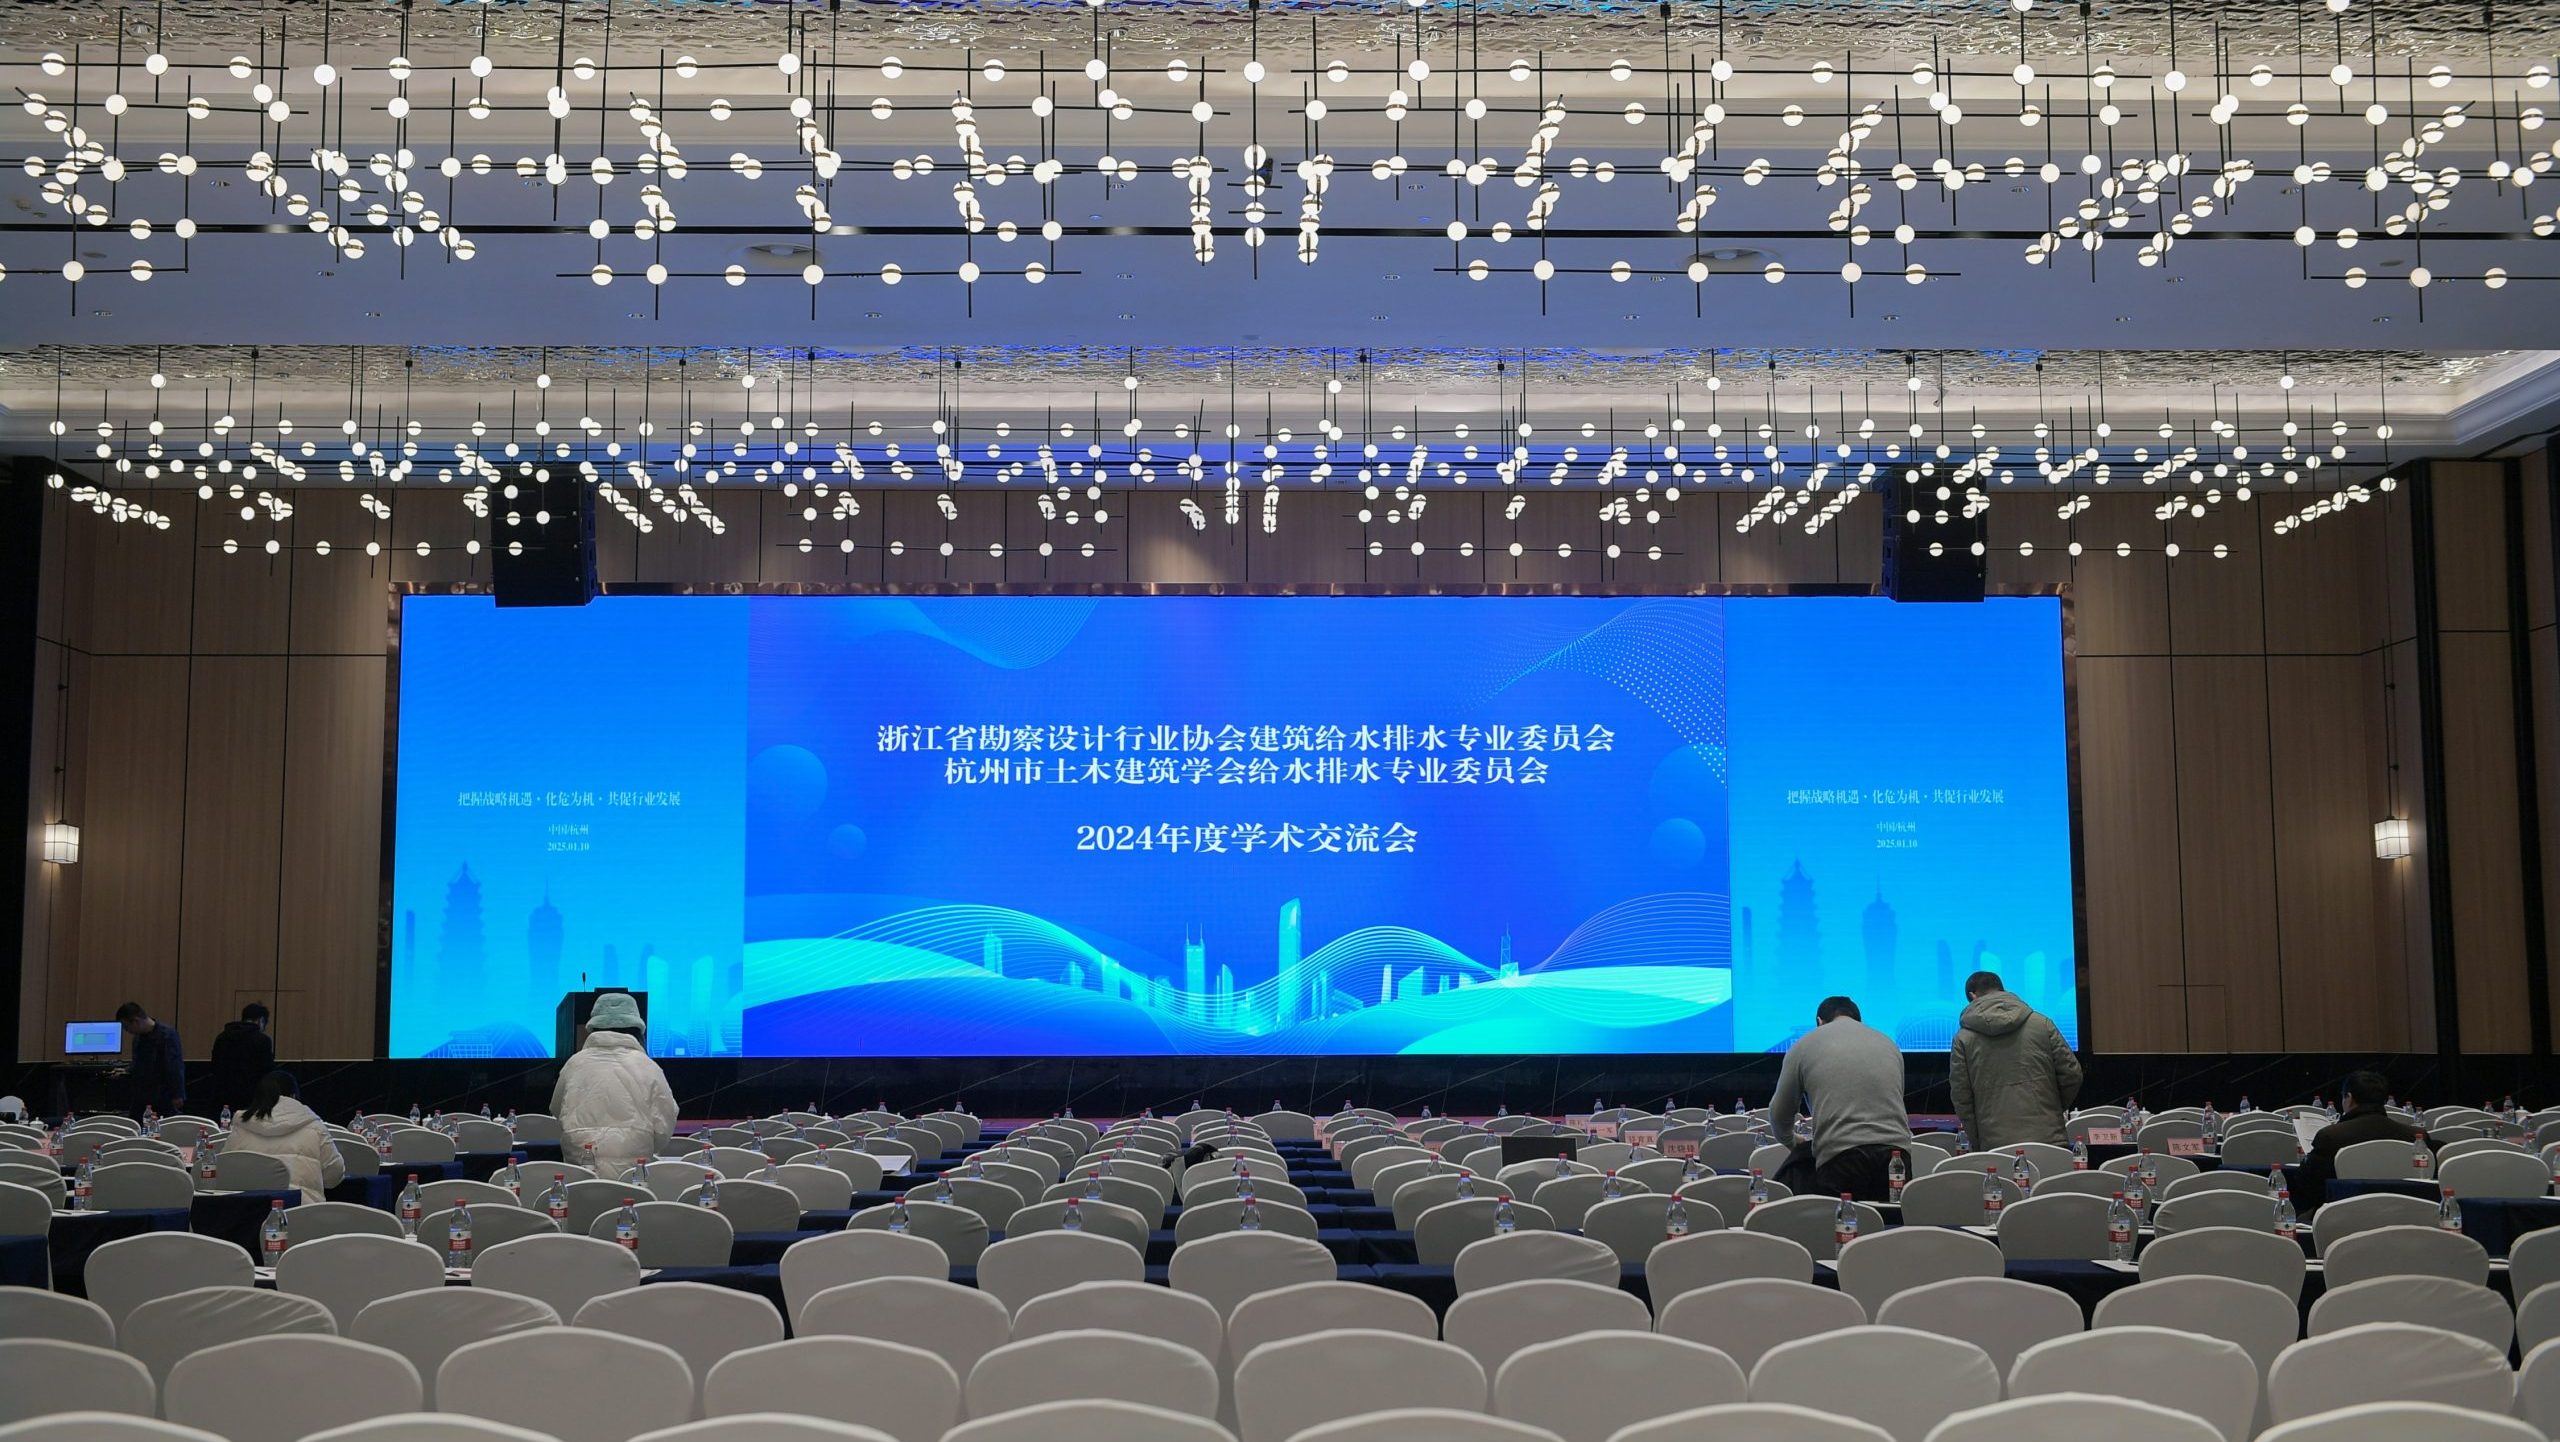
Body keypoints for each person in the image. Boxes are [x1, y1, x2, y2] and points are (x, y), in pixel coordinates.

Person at [1768, 995, 1913, 1201]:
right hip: (1897, 1158)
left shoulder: (1803, 1045)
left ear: (1819, 1021)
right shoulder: (1889, 1043)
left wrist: (1795, 1144)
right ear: (1858, 1019)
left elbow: (1779, 1115)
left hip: (1840, 1157)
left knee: (1845, 1220)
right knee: (1891, 1221)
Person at [1947, 971, 2083, 1149]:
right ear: (2001, 990)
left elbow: (1961, 1098)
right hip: (2049, 1139)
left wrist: (1978, 1140)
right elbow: (2072, 1074)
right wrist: (2052, 1109)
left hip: (1995, 1144)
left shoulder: (1962, 1039)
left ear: (1973, 996)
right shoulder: (2042, 1023)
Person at [551, 992, 678, 1180]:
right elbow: (664, 1127)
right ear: (638, 1030)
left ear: (593, 1028)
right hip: (635, 1179)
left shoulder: (574, 1064)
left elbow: (556, 1111)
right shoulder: (649, 1067)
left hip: (581, 1175)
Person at [2295, 1070, 2421, 1207]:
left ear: (2349, 1098)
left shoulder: (2331, 1136)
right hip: (2406, 1212)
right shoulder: (2416, 1137)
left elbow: (2307, 1184)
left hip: (2341, 1215)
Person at [222, 1070, 346, 1204]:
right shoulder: (314, 1127)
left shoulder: (241, 1127)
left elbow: (224, 1171)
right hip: (302, 1209)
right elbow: (334, 1176)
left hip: (250, 1210)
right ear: (294, 1096)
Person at [114, 1001, 185, 1119]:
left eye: (127, 1027)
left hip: (163, 1095)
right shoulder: (138, 1038)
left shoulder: (167, 1035)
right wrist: (127, 1070)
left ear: (136, 1021)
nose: (127, 1031)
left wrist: (177, 1095)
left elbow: (174, 1067)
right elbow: (139, 1063)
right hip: (141, 1095)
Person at [208, 1003, 277, 1114]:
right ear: (260, 1020)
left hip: (223, 1095)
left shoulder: (222, 1037)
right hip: (251, 1097)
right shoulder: (262, 1040)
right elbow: (267, 1070)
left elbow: (215, 1066)